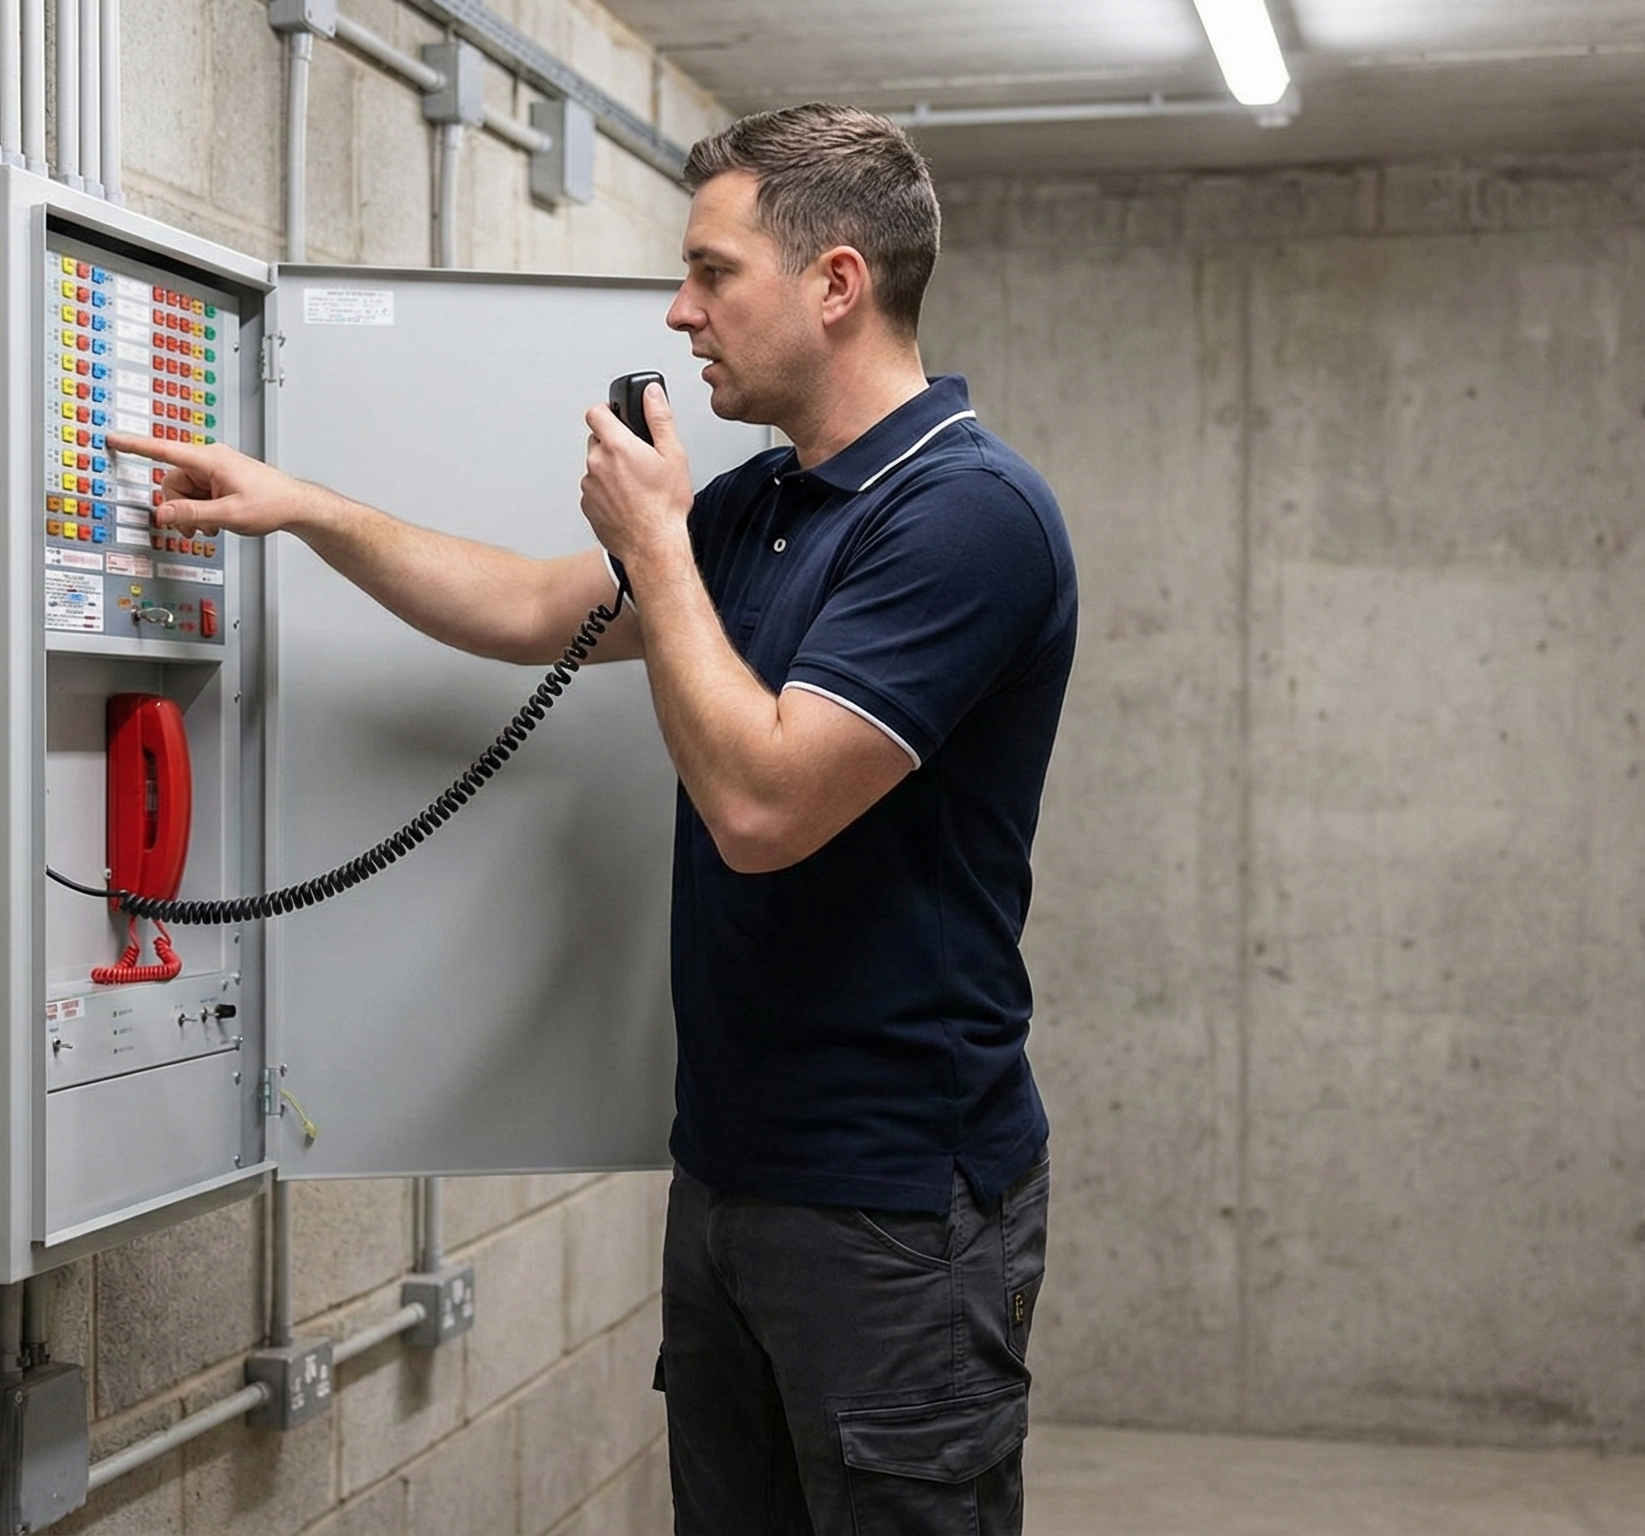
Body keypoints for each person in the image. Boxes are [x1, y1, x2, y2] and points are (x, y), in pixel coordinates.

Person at [111, 102, 1076, 1536]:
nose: (680, 312)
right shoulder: (762, 507)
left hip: (894, 1204)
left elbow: (761, 804)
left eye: (713, 272)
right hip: (733, 1173)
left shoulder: (967, 516)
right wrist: (303, 505)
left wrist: (659, 550)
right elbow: (521, 605)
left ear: (836, 284)